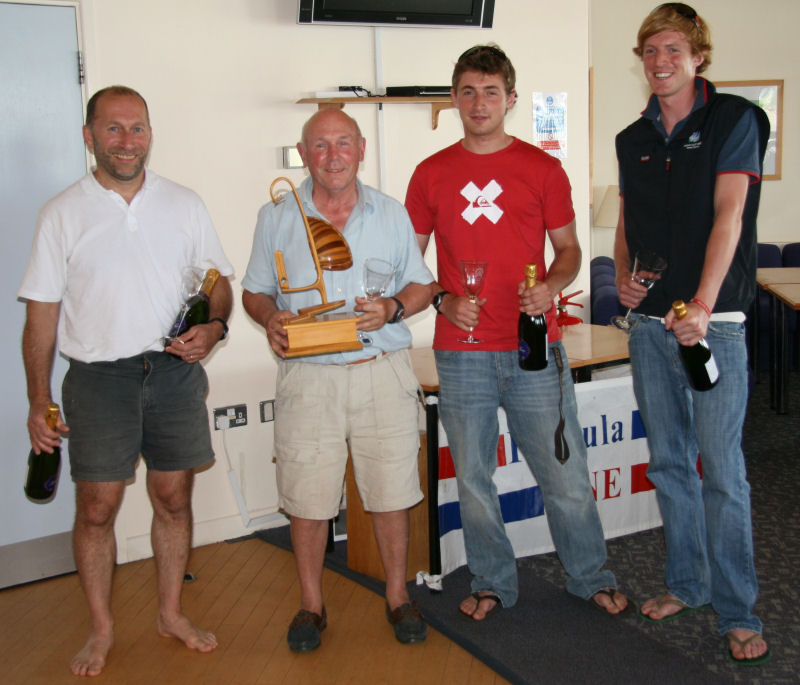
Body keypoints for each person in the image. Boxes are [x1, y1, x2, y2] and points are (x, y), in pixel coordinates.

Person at [405, 45, 628, 621]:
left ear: (510, 98)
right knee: (475, 480)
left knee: (566, 473)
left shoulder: (542, 168)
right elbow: (409, 264)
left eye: (492, 91)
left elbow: (572, 251)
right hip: (463, 353)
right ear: (454, 98)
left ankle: (589, 576)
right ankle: (492, 582)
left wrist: (552, 285)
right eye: (469, 91)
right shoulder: (430, 174)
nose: (480, 103)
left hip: (536, 347)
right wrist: (443, 298)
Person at [18, 85, 234, 677]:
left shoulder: (185, 203)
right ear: (88, 136)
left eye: (136, 128)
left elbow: (218, 282)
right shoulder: (61, 212)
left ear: (150, 135)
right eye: (112, 129)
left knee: (173, 498)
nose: (126, 141)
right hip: (97, 380)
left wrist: (214, 328)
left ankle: (170, 613)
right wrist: (39, 400)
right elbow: (41, 318)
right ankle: (102, 628)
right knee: (96, 509)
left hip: (173, 374)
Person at [241, 108, 434, 652]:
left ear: (361, 148)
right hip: (309, 379)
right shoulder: (276, 216)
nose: (332, 156)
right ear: (303, 154)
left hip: (381, 373)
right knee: (307, 498)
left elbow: (423, 285)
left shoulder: (393, 215)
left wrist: (395, 307)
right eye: (320, 146)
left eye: (342, 143)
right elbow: (255, 291)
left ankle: (398, 596)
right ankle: (311, 605)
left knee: (391, 492)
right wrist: (269, 318)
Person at [613, 4, 771, 666]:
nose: (660, 60)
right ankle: (688, 583)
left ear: (698, 55)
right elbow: (626, 218)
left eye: (672, 48)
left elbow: (729, 215)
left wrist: (702, 305)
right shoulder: (633, 138)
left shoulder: (735, 119)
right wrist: (622, 279)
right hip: (651, 329)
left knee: (722, 470)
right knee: (671, 463)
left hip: (714, 326)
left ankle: (738, 610)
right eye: (650, 50)